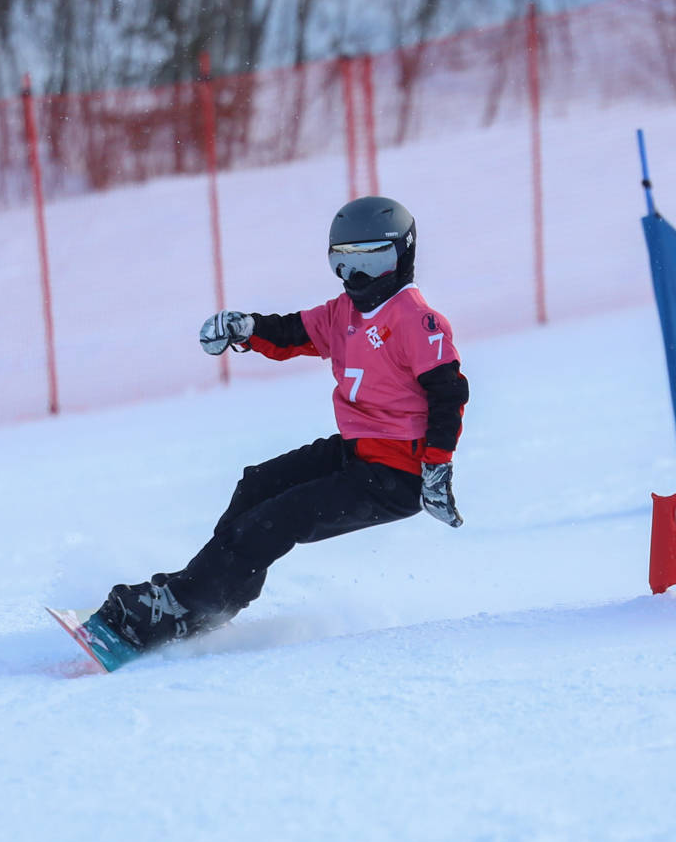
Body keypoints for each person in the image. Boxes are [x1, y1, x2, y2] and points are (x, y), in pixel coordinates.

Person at [93, 195, 469, 652]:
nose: (357, 277)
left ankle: (179, 605)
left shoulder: (416, 320)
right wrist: (246, 327)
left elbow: (448, 393)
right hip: (357, 452)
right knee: (256, 487)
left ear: (403, 254)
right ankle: (211, 603)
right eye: (344, 263)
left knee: (277, 519)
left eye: (373, 260)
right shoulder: (346, 313)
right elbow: (294, 332)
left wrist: (437, 468)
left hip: (396, 474)